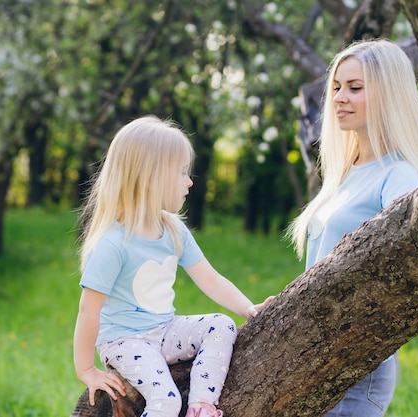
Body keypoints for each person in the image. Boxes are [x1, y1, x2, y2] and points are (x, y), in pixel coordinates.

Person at [73, 115, 274, 417]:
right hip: (124, 341)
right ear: (150, 176)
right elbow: (88, 310)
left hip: (165, 330)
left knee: (221, 324)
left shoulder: (174, 230)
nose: (189, 181)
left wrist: (249, 309)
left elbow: (210, 279)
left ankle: (201, 408)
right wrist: (87, 369)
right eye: (181, 172)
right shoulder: (113, 243)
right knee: (166, 402)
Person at [287, 39, 418, 416]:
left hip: (356, 366)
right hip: (314, 356)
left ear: (389, 95)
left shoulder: (400, 175)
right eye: (336, 87)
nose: (339, 97)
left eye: (355, 88)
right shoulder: (347, 172)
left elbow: (403, 272)